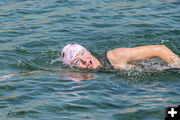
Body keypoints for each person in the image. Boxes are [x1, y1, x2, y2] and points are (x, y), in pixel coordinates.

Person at [61, 44, 180, 70]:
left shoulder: (115, 56)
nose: (84, 60)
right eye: (77, 61)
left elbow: (160, 49)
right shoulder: (92, 72)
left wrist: (177, 65)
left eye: (82, 53)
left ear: (88, 51)